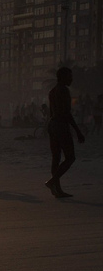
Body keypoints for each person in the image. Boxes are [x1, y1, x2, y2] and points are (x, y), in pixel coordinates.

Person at [45, 67, 85, 198]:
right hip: (61, 125)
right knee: (70, 157)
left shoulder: (52, 91)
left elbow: (51, 112)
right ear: (62, 77)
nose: (71, 79)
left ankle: (57, 189)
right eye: (69, 76)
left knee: (56, 157)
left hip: (52, 124)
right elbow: (67, 113)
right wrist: (78, 131)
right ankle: (52, 182)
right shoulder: (64, 90)